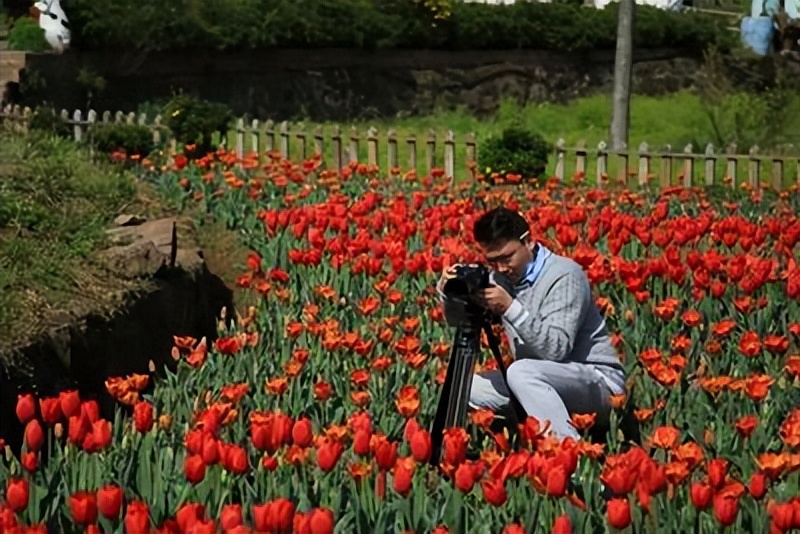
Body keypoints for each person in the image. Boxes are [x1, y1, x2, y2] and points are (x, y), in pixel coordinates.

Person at [437, 207, 626, 441]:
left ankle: (566, 449)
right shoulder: (500, 278)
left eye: (507, 257)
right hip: (538, 379)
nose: (501, 268)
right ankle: (521, 435)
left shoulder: (565, 275)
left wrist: (509, 307)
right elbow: (460, 322)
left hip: (598, 383)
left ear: (528, 242)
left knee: (520, 371)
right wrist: (451, 293)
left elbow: (556, 350)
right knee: (465, 387)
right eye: (492, 261)